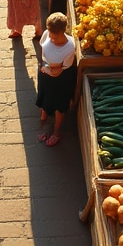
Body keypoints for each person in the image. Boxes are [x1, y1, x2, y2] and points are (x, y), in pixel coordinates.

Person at [36, 12, 77, 146]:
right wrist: (45, 67)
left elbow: (62, 68)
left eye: (55, 34)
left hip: (60, 78)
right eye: (50, 32)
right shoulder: (47, 34)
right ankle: (44, 117)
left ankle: (56, 131)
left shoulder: (69, 47)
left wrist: (48, 69)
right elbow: (42, 50)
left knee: (60, 104)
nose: (51, 36)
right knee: (45, 97)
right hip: (45, 73)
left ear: (62, 32)